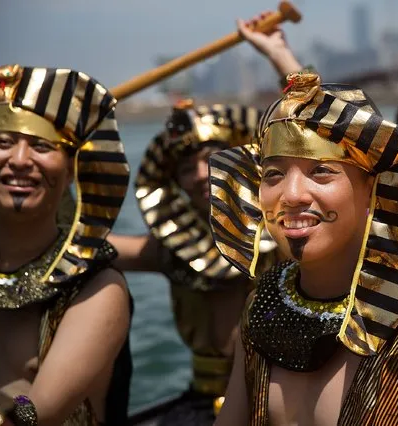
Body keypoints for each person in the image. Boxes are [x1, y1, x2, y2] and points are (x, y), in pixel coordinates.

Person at [210, 72, 398, 425]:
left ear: (374, 191)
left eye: (321, 171)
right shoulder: (262, 305)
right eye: (273, 175)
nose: (293, 195)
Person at [107, 14, 308, 425]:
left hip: (281, 403)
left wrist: (278, 54)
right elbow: (79, 246)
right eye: (185, 169)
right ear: (173, 184)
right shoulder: (170, 249)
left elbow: (319, 129)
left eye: (209, 159)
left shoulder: (289, 235)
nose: (200, 175)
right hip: (200, 405)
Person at [0, 65, 133, 425]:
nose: (19, 161)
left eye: (43, 147)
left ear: (73, 170)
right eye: (2, 142)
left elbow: (34, 416)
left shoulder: (96, 289)